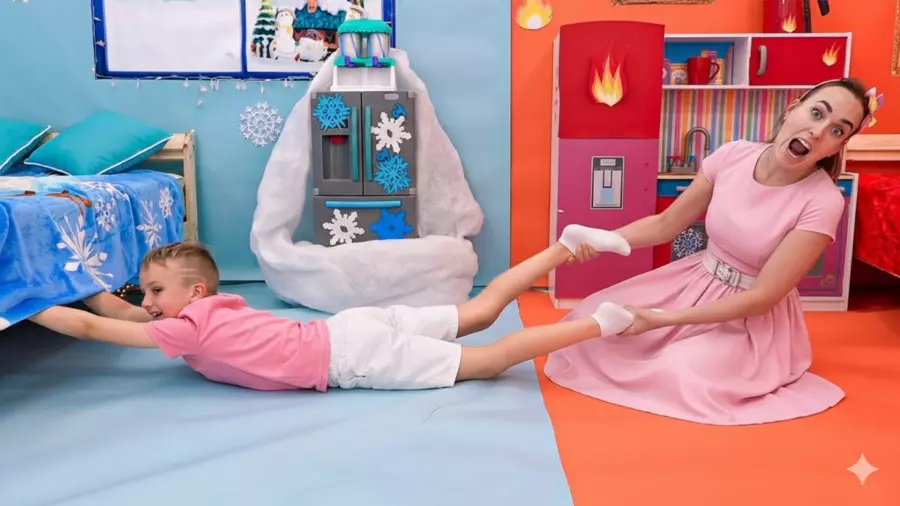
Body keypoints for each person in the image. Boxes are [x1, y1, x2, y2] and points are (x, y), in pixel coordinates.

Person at [543, 78, 883, 425]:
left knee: (679, 371)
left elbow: (761, 299)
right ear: (792, 109)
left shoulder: (823, 201)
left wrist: (659, 319)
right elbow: (666, 224)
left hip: (748, 317)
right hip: (694, 280)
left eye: (837, 131)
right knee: (592, 312)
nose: (818, 131)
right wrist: (602, 240)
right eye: (816, 113)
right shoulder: (733, 155)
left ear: (837, 147)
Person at [28, 227, 633, 392]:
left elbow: (91, 328)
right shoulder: (211, 311)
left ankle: (599, 324)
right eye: (145, 292)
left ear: (195, 295)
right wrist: (73, 280)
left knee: (488, 360)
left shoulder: (187, 331)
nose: (147, 302)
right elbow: (115, 313)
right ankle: (563, 246)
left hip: (350, 356)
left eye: (156, 290)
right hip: (350, 327)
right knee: (478, 313)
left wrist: (23, 305)